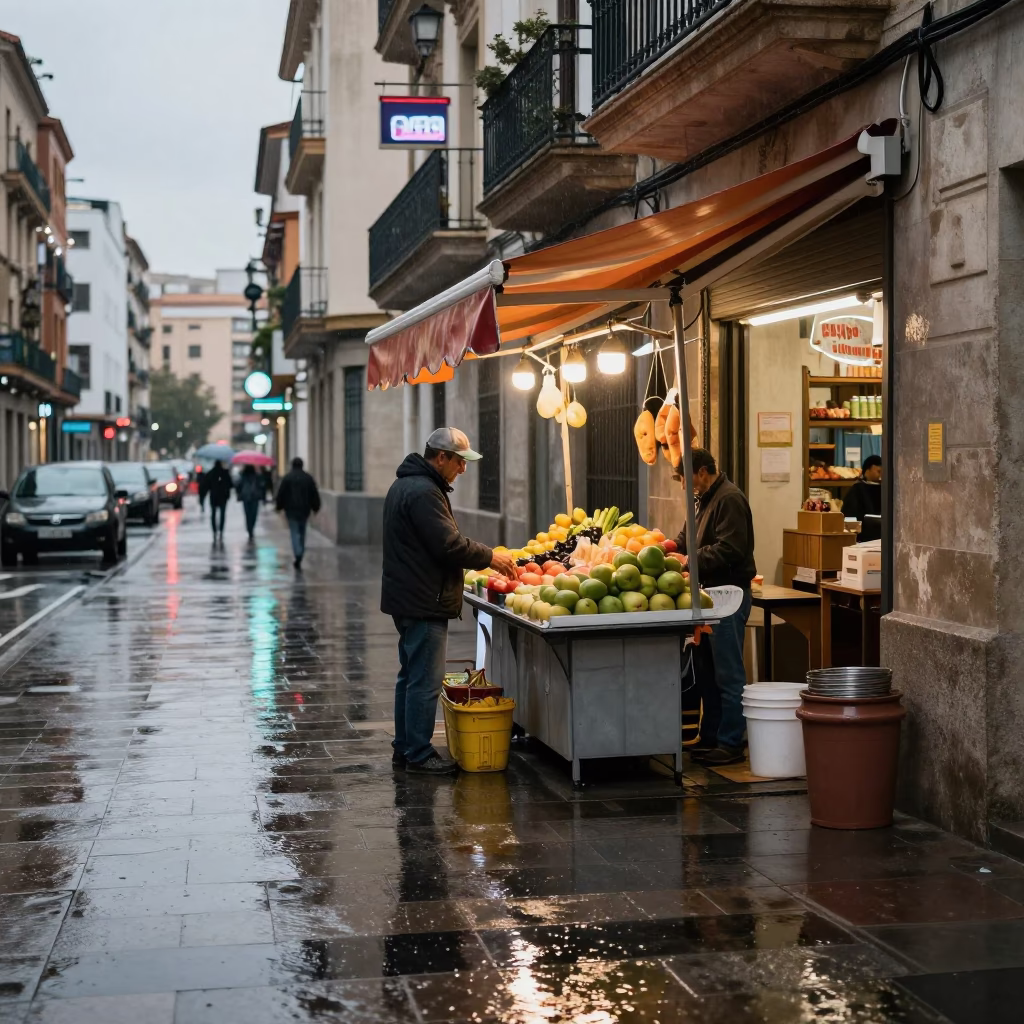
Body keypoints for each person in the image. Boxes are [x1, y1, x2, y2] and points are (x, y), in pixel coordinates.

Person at [381, 427, 517, 775]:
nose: (463, 469)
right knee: (425, 681)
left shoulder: (405, 485)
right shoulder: (425, 491)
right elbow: (448, 545)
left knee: (409, 676)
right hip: (424, 598)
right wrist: (491, 557)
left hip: (407, 597)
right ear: (441, 457)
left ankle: (405, 747)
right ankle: (419, 753)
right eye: (459, 461)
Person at [674, 448, 756, 766]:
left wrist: (688, 560)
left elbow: (730, 549)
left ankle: (732, 742)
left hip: (729, 596)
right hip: (709, 597)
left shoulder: (729, 499)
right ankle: (711, 737)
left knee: (728, 671)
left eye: (687, 478)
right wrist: (666, 547)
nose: (684, 485)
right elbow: (686, 539)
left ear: (704, 472)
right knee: (707, 671)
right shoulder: (703, 498)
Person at [275, 457, 321, 569]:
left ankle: (298, 553)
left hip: (291, 510)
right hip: (304, 510)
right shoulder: (308, 478)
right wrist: (316, 507)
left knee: (294, 532)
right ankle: (300, 551)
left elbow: (281, 494)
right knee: (302, 531)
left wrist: (279, 506)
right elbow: (314, 494)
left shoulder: (287, 478)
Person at [840, 455, 882, 541]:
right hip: (864, 536)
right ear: (867, 471)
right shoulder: (857, 489)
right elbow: (850, 513)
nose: (881, 475)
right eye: (879, 471)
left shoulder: (886, 489)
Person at [200, 460, 233, 543]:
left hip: (214, 497)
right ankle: (221, 530)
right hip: (223, 497)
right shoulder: (225, 473)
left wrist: (202, 498)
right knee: (222, 514)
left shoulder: (211, 473)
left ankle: (215, 531)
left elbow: (205, 485)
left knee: (213, 514)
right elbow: (230, 484)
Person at [237, 464, 265, 541]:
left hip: (246, 497)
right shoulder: (257, 476)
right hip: (254, 497)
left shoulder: (243, 476)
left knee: (247, 514)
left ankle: (249, 529)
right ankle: (251, 529)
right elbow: (262, 485)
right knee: (253, 514)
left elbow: (238, 485)